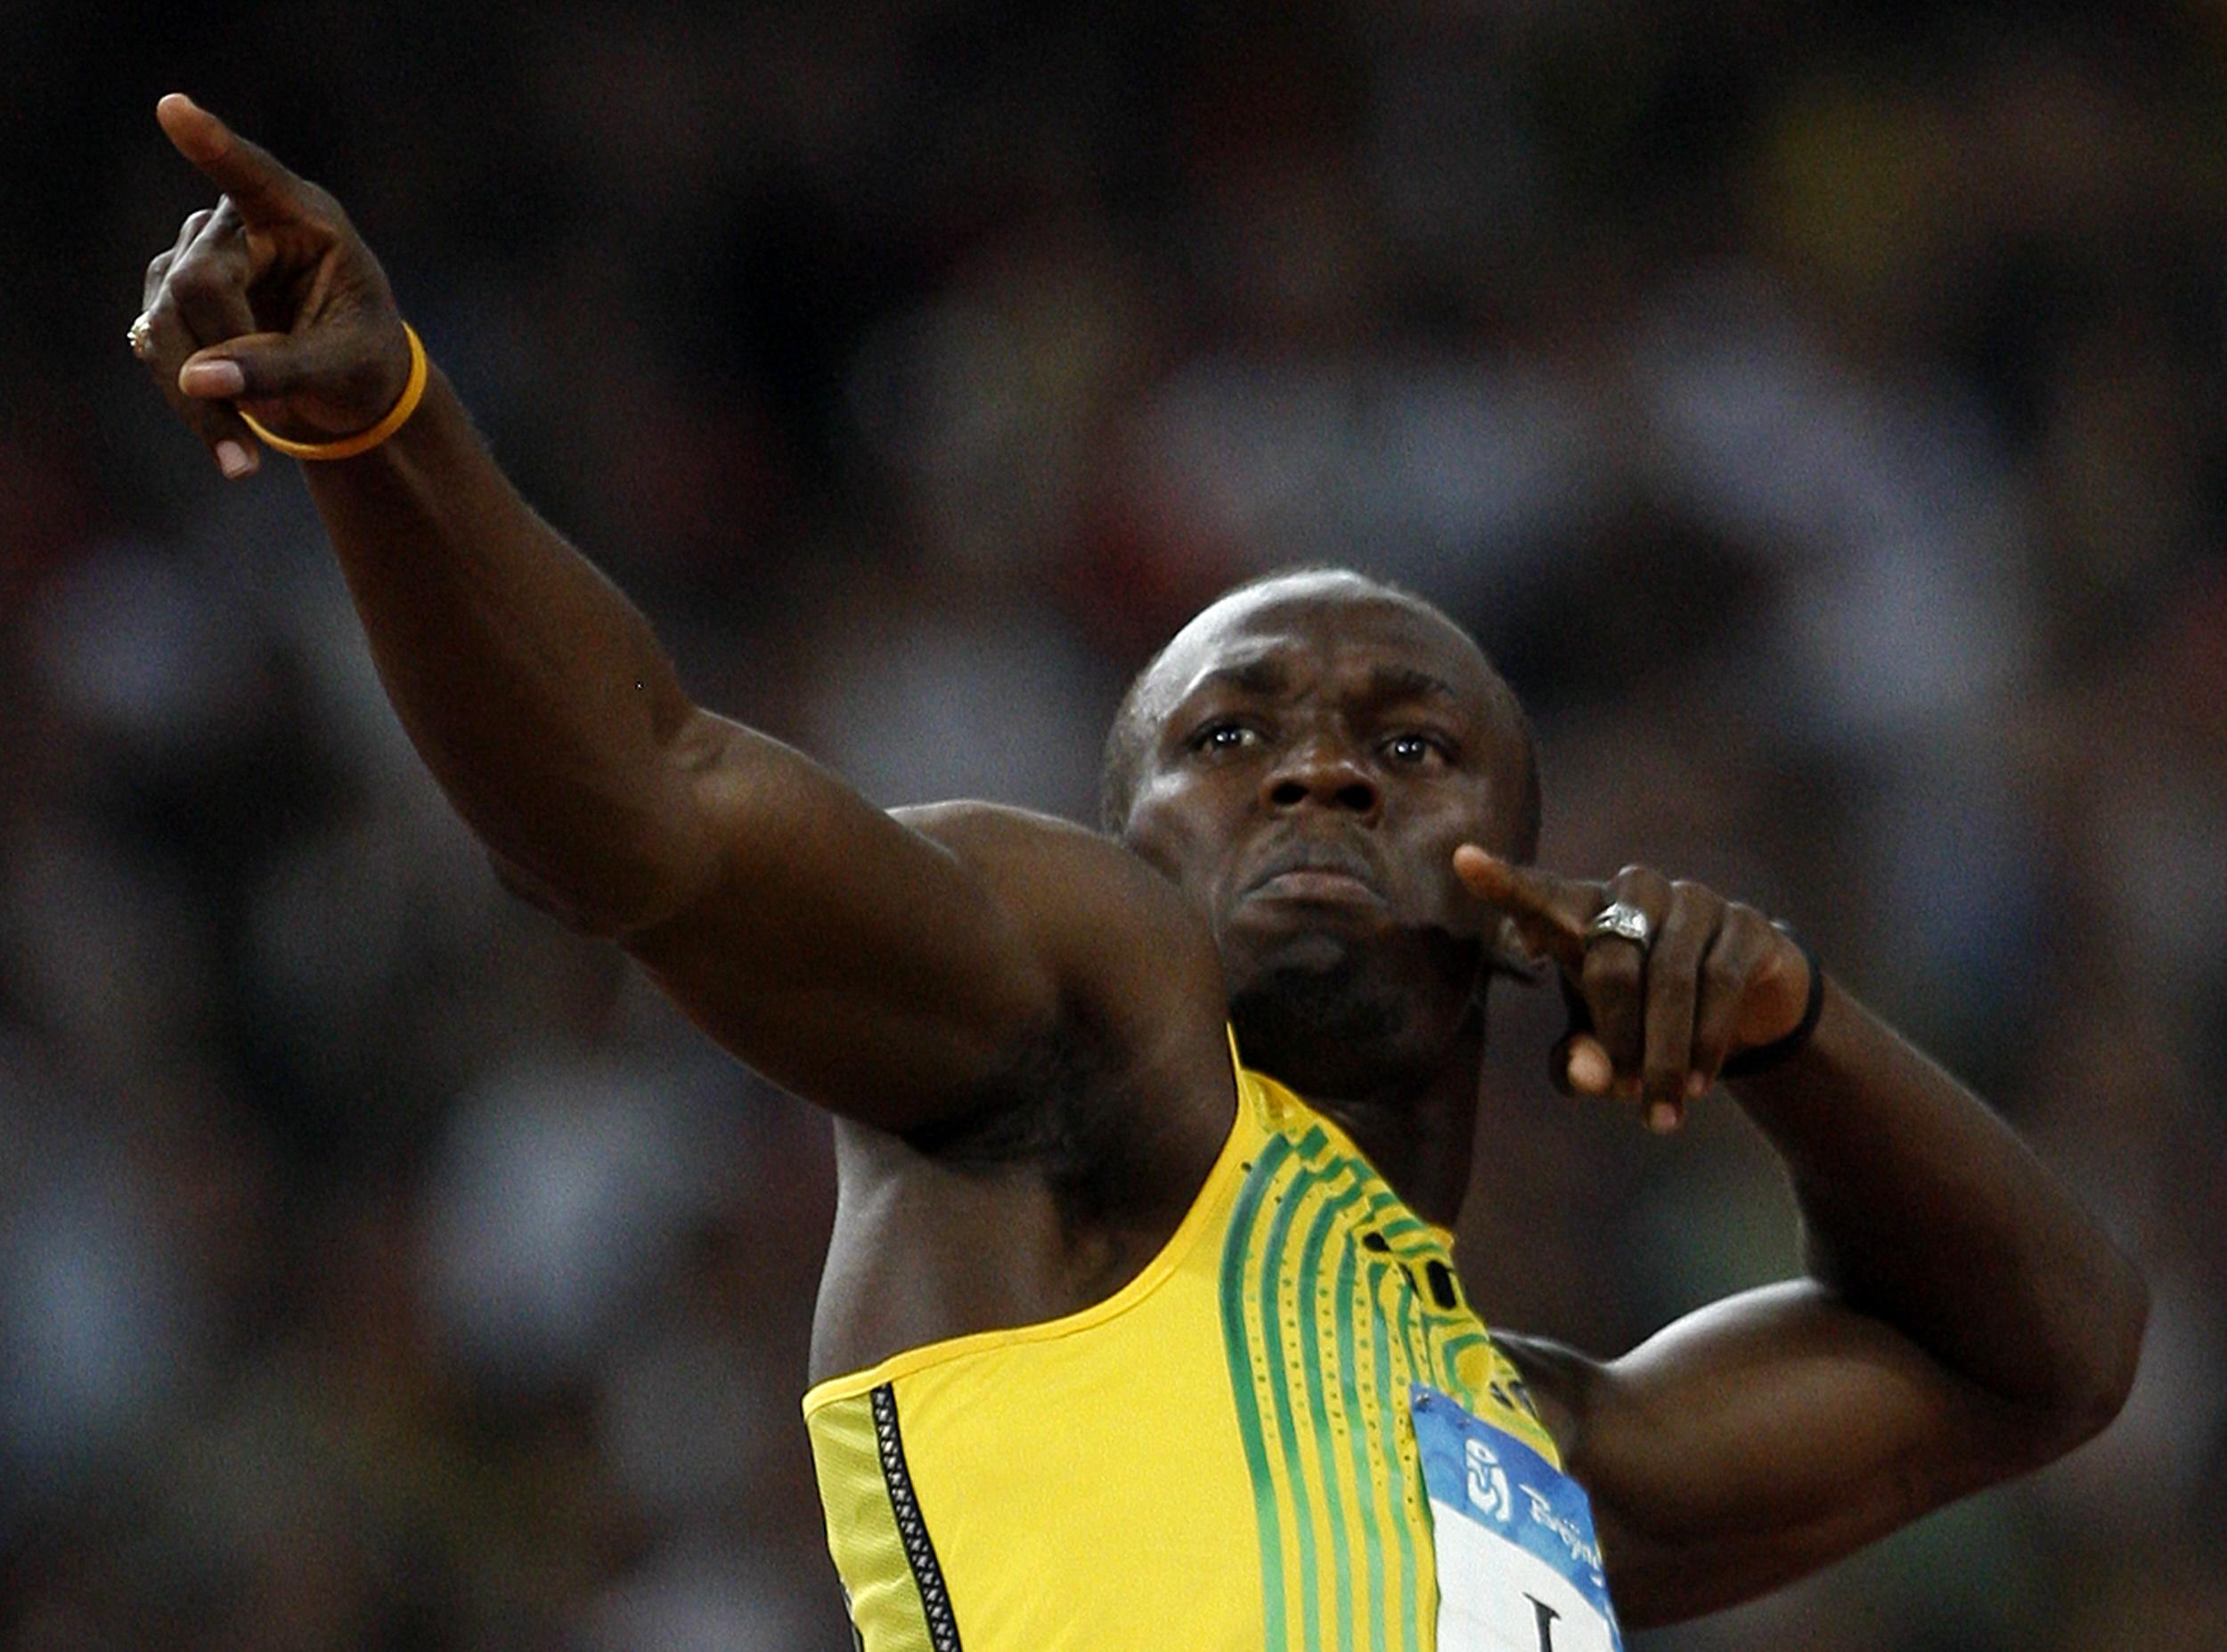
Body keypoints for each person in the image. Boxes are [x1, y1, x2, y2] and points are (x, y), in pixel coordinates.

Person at [133, 94, 2145, 1651]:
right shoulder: (1070, 1044)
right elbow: (638, 810)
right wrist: (394, 436)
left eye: (1410, 743)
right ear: (1126, 843)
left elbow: (2045, 1359)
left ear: (1512, 897)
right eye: (1225, 736)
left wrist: (1791, 1025)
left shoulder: (1532, 1454)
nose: (1322, 770)